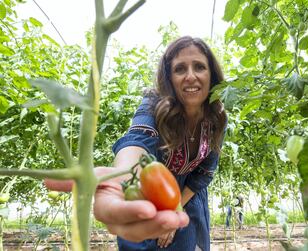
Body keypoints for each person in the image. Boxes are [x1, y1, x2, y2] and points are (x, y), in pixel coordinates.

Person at [46, 36, 227, 251]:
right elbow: (138, 139)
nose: (190, 76)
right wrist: (125, 173)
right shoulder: (154, 104)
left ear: (212, 75)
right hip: (146, 190)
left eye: (199, 67)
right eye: (180, 69)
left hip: (188, 196)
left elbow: (205, 172)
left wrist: (177, 206)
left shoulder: (217, 118)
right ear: (170, 78)